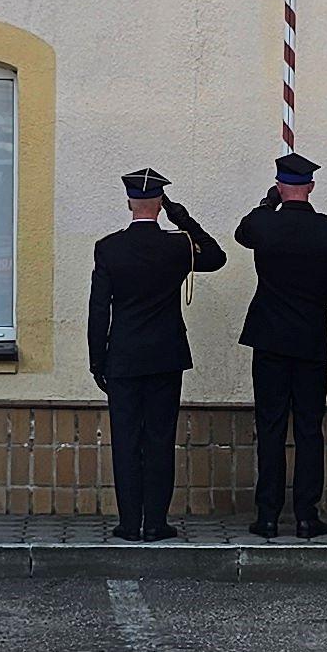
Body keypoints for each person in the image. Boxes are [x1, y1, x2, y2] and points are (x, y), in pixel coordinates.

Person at [87, 168, 227, 540]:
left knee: (126, 441)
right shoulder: (177, 245)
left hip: (123, 357)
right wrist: (183, 219)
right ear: (160, 204)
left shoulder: (109, 248)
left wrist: (97, 360)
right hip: (166, 355)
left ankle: (129, 523)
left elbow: (99, 309)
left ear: (129, 202)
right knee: (160, 439)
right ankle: (155, 523)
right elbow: (216, 257)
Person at [235, 153, 327, 539]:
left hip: (269, 336)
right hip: (310, 336)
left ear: (279, 186)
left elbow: (243, 232)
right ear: (311, 187)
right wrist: (313, 305)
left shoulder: (265, 223)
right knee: (308, 428)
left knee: (270, 426)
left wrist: (267, 203)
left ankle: (267, 515)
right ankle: (306, 515)